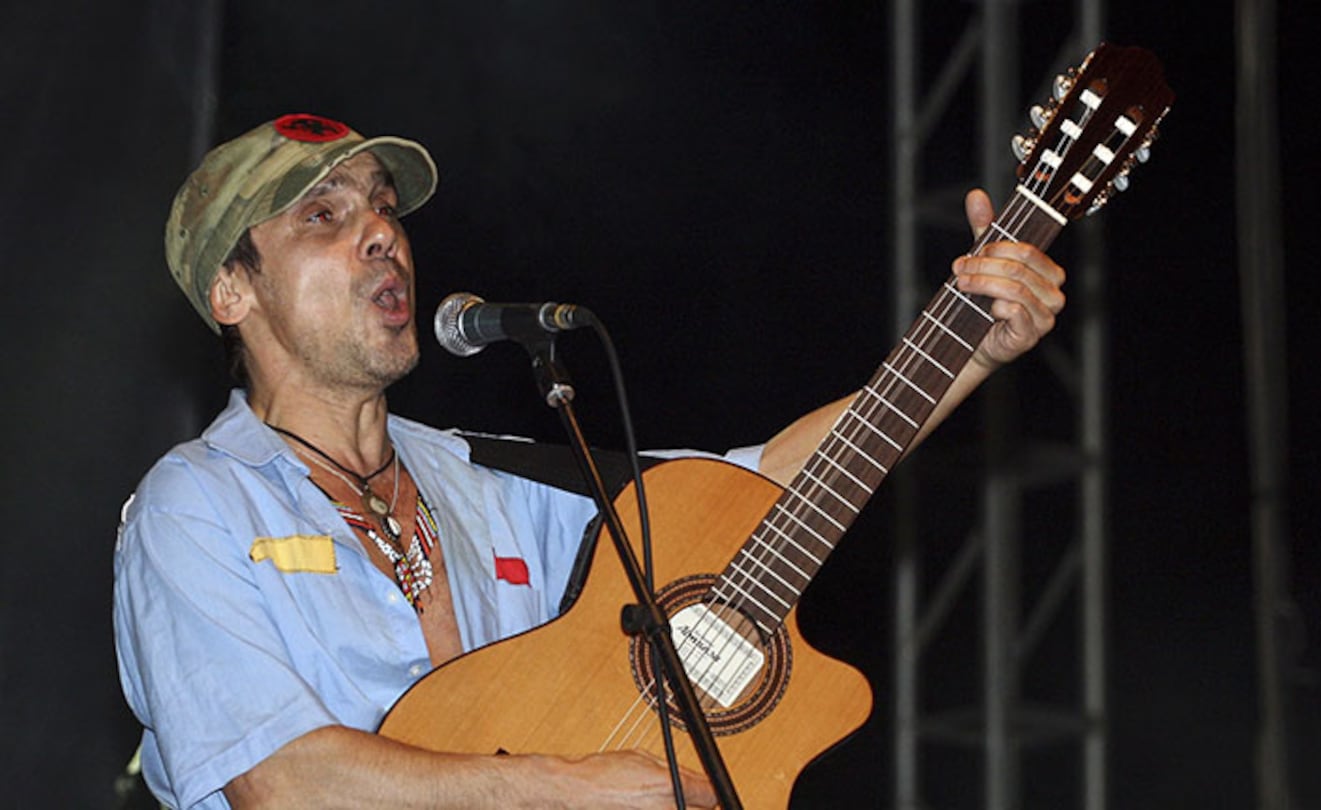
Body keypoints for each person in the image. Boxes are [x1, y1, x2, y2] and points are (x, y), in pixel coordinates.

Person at [113, 113, 1065, 809]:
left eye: (384, 209)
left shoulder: (485, 478)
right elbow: (282, 780)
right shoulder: (195, 507)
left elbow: (759, 489)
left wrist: (968, 350)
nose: (381, 234)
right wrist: (570, 786)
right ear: (232, 289)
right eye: (322, 217)